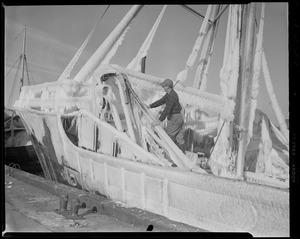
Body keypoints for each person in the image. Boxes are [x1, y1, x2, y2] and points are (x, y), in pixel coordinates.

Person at [147, 79, 186, 153]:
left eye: (164, 86)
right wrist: (150, 106)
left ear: (168, 87)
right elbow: (161, 101)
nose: (163, 87)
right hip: (179, 118)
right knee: (179, 139)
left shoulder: (172, 96)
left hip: (175, 119)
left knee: (168, 138)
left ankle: (171, 156)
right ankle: (183, 158)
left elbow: (167, 109)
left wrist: (159, 120)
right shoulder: (169, 94)